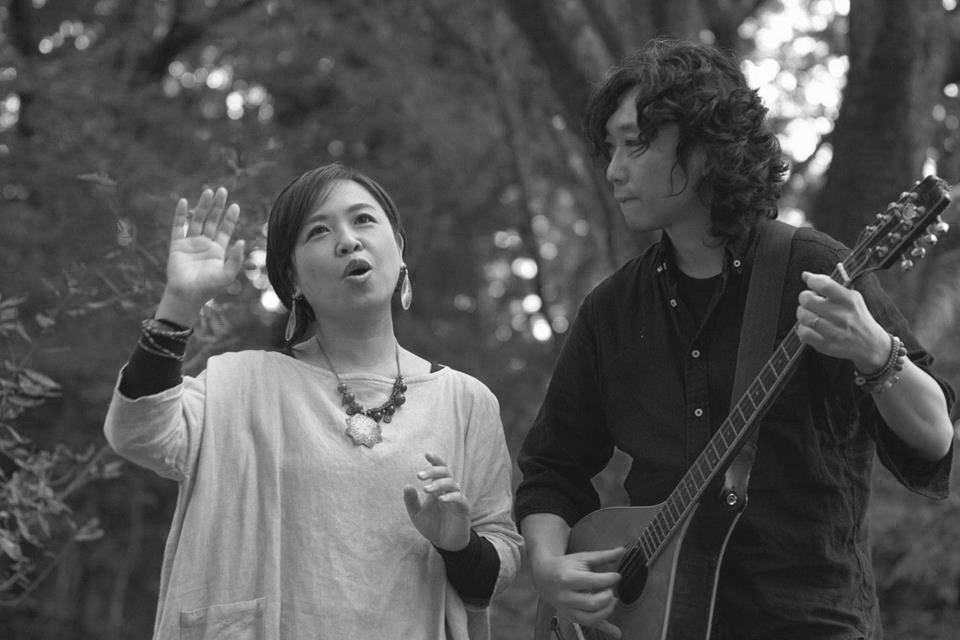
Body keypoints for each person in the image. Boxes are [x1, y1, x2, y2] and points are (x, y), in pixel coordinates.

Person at [514, 38, 955, 639]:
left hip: (807, 621)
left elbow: (934, 438)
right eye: (610, 148)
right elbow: (551, 468)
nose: (614, 170)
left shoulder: (814, 269)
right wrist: (547, 566)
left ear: (704, 148)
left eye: (635, 144)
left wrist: (874, 352)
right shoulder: (610, 311)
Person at [103, 162, 522, 639]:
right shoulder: (241, 383)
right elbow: (140, 433)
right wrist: (178, 305)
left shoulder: (467, 402)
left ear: (399, 247)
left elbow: (498, 568)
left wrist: (458, 545)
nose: (348, 240)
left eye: (363, 219)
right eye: (319, 231)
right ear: (293, 278)